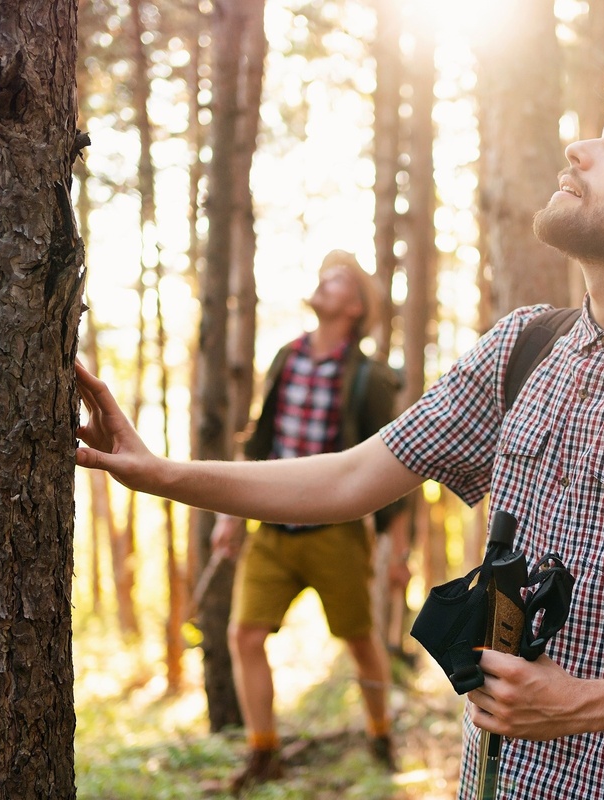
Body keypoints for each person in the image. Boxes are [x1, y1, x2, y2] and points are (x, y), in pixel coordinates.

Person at [78, 57, 604, 799]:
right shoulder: (523, 347)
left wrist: (584, 702)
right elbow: (352, 476)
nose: (579, 148)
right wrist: (159, 472)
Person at [210, 252, 410, 791]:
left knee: (360, 639)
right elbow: (259, 443)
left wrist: (401, 550)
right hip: (271, 531)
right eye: (325, 274)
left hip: (336, 534)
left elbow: (393, 465)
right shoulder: (286, 357)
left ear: (356, 306)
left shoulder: (367, 377)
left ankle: (380, 733)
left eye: (342, 278)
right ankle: (262, 753)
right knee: (245, 635)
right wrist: (231, 515)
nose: (328, 278)